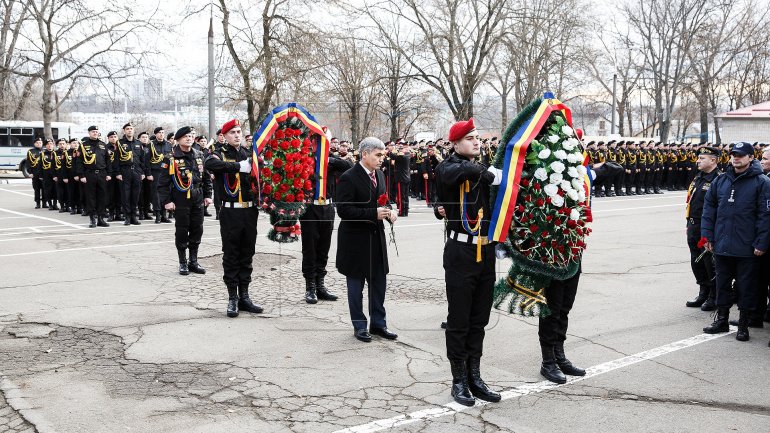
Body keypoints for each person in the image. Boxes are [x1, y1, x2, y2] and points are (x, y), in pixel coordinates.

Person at [435, 118, 501, 406]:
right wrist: (485, 171)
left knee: (479, 320)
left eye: (478, 138)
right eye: (470, 138)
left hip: (485, 252)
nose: (477, 142)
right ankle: (458, 379)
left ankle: (475, 375)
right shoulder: (449, 167)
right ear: (455, 143)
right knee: (459, 320)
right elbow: (455, 173)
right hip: (461, 253)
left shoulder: (480, 169)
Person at [701, 142, 770, 342]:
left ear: (750, 157)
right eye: (733, 155)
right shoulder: (721, 181)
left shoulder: (761, 182)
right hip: (722, 244)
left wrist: (761, 242)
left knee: (746, 287)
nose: (736, 158)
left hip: (747, 247)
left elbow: (765, 216)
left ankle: (744, 324)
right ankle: (721, 319)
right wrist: (707, 237)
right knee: (722, 284)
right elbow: (709, 209)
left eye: (740, 155)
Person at [335, 137, 398, 343]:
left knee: (378, 284)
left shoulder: (379, 174)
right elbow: (344, 210)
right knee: (356, 287)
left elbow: (382, 198)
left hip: (376, 240)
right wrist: (373, 213)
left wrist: (390, 211)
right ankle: (359, 326)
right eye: (378, 155)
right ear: (364, 154)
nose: (382, 159)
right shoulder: (348, 177)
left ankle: (379, 324)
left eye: (383, 155)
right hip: (355, 242)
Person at [204, 119, 263, 318]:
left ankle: (244, 296)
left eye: (239, 132)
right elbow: (210, 164)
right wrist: (238, 166)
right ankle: (232, 297)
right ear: (225, 135)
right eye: (233, 133)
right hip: (230, 212)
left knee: (247, 252)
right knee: (231, 254)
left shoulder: (248, 154)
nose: (237, 135)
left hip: (249, 211)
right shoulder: (219, 153)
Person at [300, 148, 353, 304]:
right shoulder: (304, 158)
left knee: (324, 248)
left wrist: (329, 160)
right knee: (310, 248)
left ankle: (320, 286)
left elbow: (349, 167)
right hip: (310, 209)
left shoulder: (330, 160)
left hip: (328, 208)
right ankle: (310, 287)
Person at [158, 127, 213, 275]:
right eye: (185, 136)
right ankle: (182, 262)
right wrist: (167, 201)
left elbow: (206, 178)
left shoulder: (199, 155)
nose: (188, 138)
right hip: (180, 197)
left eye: (190, 136)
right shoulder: (170, 157)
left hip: (198, 196)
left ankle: (193, 261)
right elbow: (162, 184)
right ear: (178, 139)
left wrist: (208, 195)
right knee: (182, 230)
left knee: (197, 229)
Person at [684, 146, 720, 311]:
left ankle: (714, 296)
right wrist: (688, 223)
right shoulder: (699, 177)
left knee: (709, 262)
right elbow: (691, 202)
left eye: (702, 158)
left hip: (707, 228)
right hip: (694, 225)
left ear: (713, 160)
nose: (698, 161)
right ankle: (703, 292)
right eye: (698, 158)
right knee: (696, 260)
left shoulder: (719, 179)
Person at [76, 126, 113, 228]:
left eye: (96, 132)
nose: (95, 133)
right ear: (89, 133)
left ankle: (101, 219)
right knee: (90, 197)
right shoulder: (83, 146)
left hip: (102, 174)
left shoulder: (103, 145)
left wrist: (109, 174)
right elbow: (79, 162)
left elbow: (108, 161)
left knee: (102, 197)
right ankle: (92, 219)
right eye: (93, 132)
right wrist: (81, 175)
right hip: (89, 174)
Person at [114, 123, 147, 225]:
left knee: (135, 195)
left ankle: (133, 216)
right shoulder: (119, 143)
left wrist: (142, 172)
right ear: (124, 131)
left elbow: (142, 159)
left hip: (137, 171)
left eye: (131, 129)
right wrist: (118, 173)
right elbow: (116, 160)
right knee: (125, 195)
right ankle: (127, 217)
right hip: (125, 171)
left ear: (133, 130)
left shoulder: (138, 143)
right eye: (127, 129)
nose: (129, 130)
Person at [148, 127, 173, 224]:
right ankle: (158, 215)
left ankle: (164, 215)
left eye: (163, 132)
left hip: (166, 173)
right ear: (155, 134)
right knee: (156, 194)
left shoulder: (168, 145)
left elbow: (170, 158)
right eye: (159, 133)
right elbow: (147, 160)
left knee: (166, 193)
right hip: (156, 172)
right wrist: (148, 174)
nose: (161, 134)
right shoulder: (151, 145)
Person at [27, 137, 45, 208]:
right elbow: (28, 163)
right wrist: (30, 172)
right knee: (37, 188)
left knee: (44, 188)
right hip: (35, 172)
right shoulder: (31, 151)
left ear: (42, 143)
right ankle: (37, 203)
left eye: (40, 143)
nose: (39, 144)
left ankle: (44, 203)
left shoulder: (45, 151)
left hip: (43, 173)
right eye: (37, 143)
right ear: (34, 144)